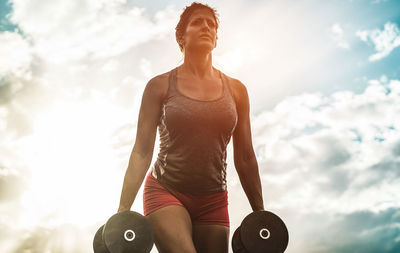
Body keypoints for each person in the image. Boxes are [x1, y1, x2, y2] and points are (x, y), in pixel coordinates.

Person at [118, 2, 264, 253]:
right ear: (181, 36)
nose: (206, 27)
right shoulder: (159, 86)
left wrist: (260, 215)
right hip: (166, 190)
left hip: (214, 199)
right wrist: (123, 211)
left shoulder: (237, 90)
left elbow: (245, 156)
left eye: (212, 24)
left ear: (217, 38)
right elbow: (142, 151)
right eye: (197, 22)